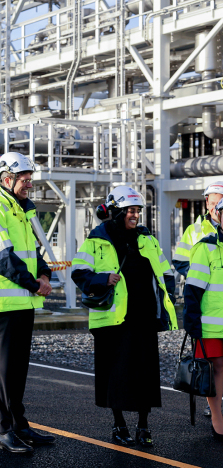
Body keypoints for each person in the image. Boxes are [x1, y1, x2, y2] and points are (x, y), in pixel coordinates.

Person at [72, 185, 178, 447]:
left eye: (138, 211)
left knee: (145, 374)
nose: (135, 215)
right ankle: (119, 424)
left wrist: (167, 299)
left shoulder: (147, 239)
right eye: (130, 210)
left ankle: (143, 425)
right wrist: (102, 278)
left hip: (143, 318)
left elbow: (166, 273)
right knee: (115, 375)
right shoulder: (96, 239)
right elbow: (78, 271)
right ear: (116, 211)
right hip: (111, 320)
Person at [0, 152, 55, 454]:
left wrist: (44, 274)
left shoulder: (18, 211)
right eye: (25, 179)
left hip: (24, 300)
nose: (29, 184)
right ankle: (3, 430)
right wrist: (35, 284)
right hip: (4, 301)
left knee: (18, 369)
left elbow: (32, 252)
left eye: (30, 179)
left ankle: (20, 426)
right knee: (4, 370)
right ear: (7, 179)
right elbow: (2, 258)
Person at [172, 181, 223, 418]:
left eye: (218, 204)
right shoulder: (194, 231)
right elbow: (180, 261)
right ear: (206, 202)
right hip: (206, 303)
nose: (215, 208)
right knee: (211, 364)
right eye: (212, 203)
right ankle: (213, 407)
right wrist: (201, 273)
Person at [183, 196, 223, 442]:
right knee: (216, 370)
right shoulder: (206, 247)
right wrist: (192, 321)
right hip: (212, 325)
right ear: (218, 216)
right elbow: (193, 289)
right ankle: (218, 420)